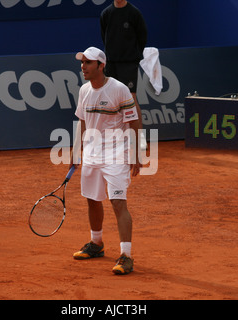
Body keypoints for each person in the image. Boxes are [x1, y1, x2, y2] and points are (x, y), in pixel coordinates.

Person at [70, 47, 141, 275]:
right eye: (82, 63)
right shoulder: (83, 90)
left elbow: (134, 122)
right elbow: (82, 121)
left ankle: (126, 256)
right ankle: (96, 244)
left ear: (101, 66)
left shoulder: (119, 89)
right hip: (92, 153)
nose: (83, 66)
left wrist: (137, 153)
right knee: (92, 199)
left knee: (118, 203)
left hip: (116, 154)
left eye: (88, 63)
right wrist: (77, 150)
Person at [100, 0, 148, 148]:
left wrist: (132, 55)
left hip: (128, 63)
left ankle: (139, 138)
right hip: (111, 63)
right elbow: (105, 37)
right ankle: (116, 138)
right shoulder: (106, 14)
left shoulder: (134, 13)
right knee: (113, 101)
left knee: (131, 99)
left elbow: (142, 37)